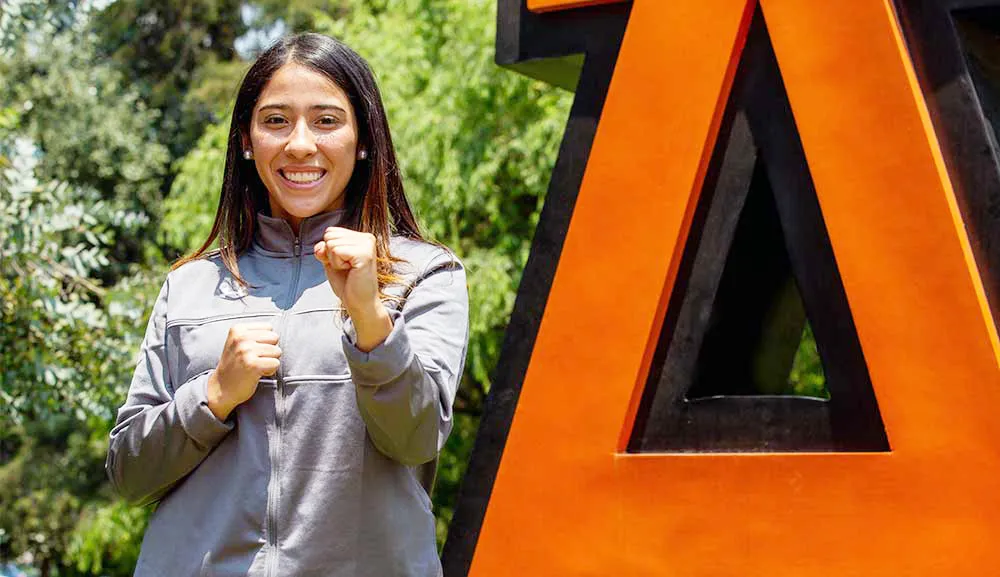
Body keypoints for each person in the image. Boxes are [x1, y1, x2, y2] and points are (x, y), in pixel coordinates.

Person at [105, 32, 469, 577]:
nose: (300, 144)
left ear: (363, 139)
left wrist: (370, 319)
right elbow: (129, 475)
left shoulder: (425, 275)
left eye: (326, 121)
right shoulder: (189, 286)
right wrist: (213, 395)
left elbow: (414, 439)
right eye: (276, 120)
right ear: (247, 141)